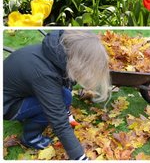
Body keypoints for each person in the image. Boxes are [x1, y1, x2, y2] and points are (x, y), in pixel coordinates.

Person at [3, 30, 111, 160]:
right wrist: (80, 158)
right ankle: (31, 138)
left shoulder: (54, 53)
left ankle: (28, 116)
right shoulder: (44, 74)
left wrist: (67, 113)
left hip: (18, 92)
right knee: (62, 99)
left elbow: (64, 82)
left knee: (64, 96)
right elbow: (58, 120)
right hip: (7, 105)